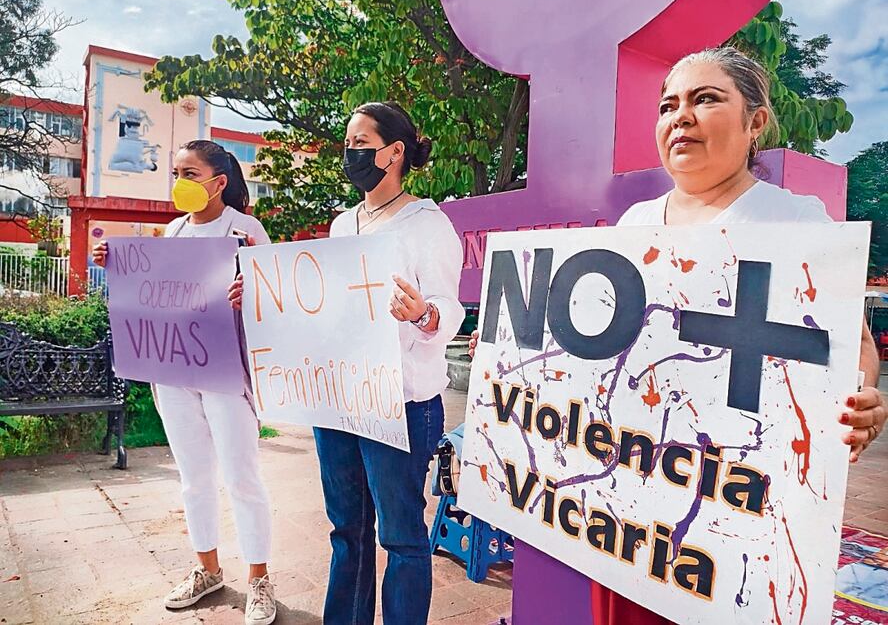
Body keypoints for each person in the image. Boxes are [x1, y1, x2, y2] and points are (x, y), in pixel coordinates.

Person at [469, 47, 885, 624]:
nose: (680, 117)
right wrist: (509, 350)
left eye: (706, 99)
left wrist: (861, 395)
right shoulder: (634, 226)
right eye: (669, 105)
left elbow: (854, 344)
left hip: (731, 511)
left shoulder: (794, 222)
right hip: (629, 503)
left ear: (755, 122)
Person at [232, 100, 464, 624]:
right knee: (346, 529)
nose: (350, 152)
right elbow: (323, 306)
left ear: (394, 153)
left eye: (361, 143)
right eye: (348, 143)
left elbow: (451, 310)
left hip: (401, 402)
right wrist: (263, 299)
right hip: (339, 400)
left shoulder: (428, 225)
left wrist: (423, 313)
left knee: (402, 535)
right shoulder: (343, 223)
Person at [93, 140, 277, 625]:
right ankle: (208, 570)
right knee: (194, 478)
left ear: (219, 183)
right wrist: (112, 261)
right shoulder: (173, 231)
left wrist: (253, 291)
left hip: (226, 375)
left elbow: (276, 299)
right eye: (175, 172)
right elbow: (155, 289)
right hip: (174, 373)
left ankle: (258, 579)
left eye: (190, 173)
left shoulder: (246, 230)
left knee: (242, 477)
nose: (180, 182)